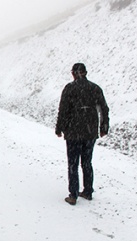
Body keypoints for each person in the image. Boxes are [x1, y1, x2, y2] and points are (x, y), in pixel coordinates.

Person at [55, 63, 109, 206]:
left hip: (73, 132)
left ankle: (73, 195)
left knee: (73, 164)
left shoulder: (70, 88)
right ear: (85, 72)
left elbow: (63, 110)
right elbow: (104, 108)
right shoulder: (95, 88)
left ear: (73, 73)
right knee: (87, 162)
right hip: (90, 132)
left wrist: (59, 128)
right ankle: (88, 191)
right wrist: (104, 127)